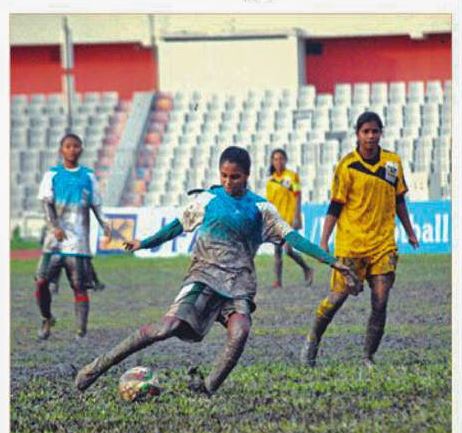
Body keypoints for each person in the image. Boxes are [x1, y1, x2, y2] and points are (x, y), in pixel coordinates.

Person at [75, 146, 358, 396]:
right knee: (166, 328)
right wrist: (144, 242)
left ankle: (207, 388)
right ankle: (96, 368)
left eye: (234, 177)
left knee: (240, 331)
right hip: (204, 276)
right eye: (224, 176)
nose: (228, 182)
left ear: (247, 176)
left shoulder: (261, 208)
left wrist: (330, 261)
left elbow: (293, 238)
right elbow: (177, 225)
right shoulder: (209, 199)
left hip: (238, 283)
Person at [300, 111, 419, 368]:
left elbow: (399, 199)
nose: (370, 136)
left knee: (381, 300)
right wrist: (324, 241)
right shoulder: (347, 166)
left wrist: (409, 230)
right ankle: (312, 340)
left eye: (375, 131)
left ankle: (368, 356)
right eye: (366, 131)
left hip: (383, 244)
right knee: (336, 298)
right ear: (357, 134)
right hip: (351, 244)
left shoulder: (392, 163)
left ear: (380, 133)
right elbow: (335, 206)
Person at [35, 133, 111, 340]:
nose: (72, 150)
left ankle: (81, 331)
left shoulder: (88, 176)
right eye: (68, 146)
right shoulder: (52, 174)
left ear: (81, 149)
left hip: (78, 243)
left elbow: (97, 204)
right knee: (41, 281)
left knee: (79, 286)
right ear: (61, 150)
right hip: (54, 242)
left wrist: (105, 224)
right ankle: (46, 317)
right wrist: (54, 226)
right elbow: (46, 204)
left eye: (76, 146)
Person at [266, 148, 314, 288]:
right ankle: (278, 281)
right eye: (275, 159)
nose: (278, 162)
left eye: (281, 159)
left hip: (290, 218)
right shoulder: (271, 182)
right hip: (277, 220)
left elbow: (297, 195)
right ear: (272, 162)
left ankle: (307, 268)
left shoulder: (292, 176)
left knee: (288, 249)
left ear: (285, 160)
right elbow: (270, 203)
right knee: (277, 250)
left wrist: (297, 215)